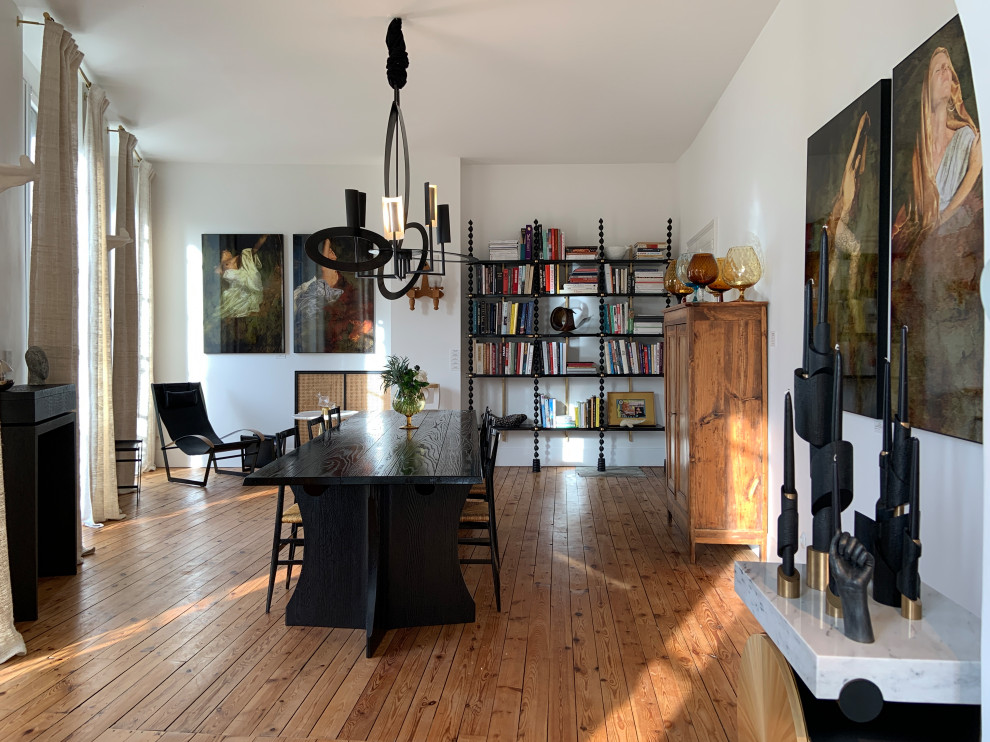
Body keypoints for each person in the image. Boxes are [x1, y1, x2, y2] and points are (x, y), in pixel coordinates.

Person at [891, 44, 983, 441]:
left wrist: (934, 230)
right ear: (927, 85)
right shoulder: (915, 152)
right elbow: (907, 220)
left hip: (952, 261)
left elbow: (966, 200)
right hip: (920, 267)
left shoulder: (968, 138)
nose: (948, 74)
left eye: (950, 69)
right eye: (939, 69)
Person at [217, 236, 265, 319]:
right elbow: (218, 274)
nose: (226, 252)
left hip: (242, 282)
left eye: (227, 251)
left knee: (245, 301)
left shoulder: (236, 259)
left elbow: (252, 252)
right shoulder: (219, 265)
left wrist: (263, 238)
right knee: (235, 305)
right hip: (234, 288)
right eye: (224, 251)